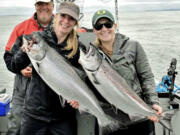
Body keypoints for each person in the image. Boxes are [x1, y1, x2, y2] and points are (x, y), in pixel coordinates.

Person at [5, 1, 82, 135]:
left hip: (63, 117)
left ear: (75, 23)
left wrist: (78, 98)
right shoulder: (35, 38)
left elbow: (83, 79)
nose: (66, 21)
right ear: (56, 16)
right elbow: (13, 64)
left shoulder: (78, 48)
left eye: (71, 18)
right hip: (34, 114)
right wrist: (23, 52)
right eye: (63, 16)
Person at [90, 9, 162, 135]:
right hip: (110, 121)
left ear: (115, 26)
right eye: (99, 26)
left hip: (139, 117)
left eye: (108, 24)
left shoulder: (133, 46)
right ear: (94, 30)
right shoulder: (91, 55)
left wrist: (153, 102)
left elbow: (146, 76)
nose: (104, 29)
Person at [3, 0, 54, 134]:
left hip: (50, 92)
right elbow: (8, 57)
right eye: (40, 4)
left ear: (53, 5)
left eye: (47, 4)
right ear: (35, 6)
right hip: (23, 91)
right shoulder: (21, 28)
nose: (43, 7)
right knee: (15, 127)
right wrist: (20, 70)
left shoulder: (61, 28)